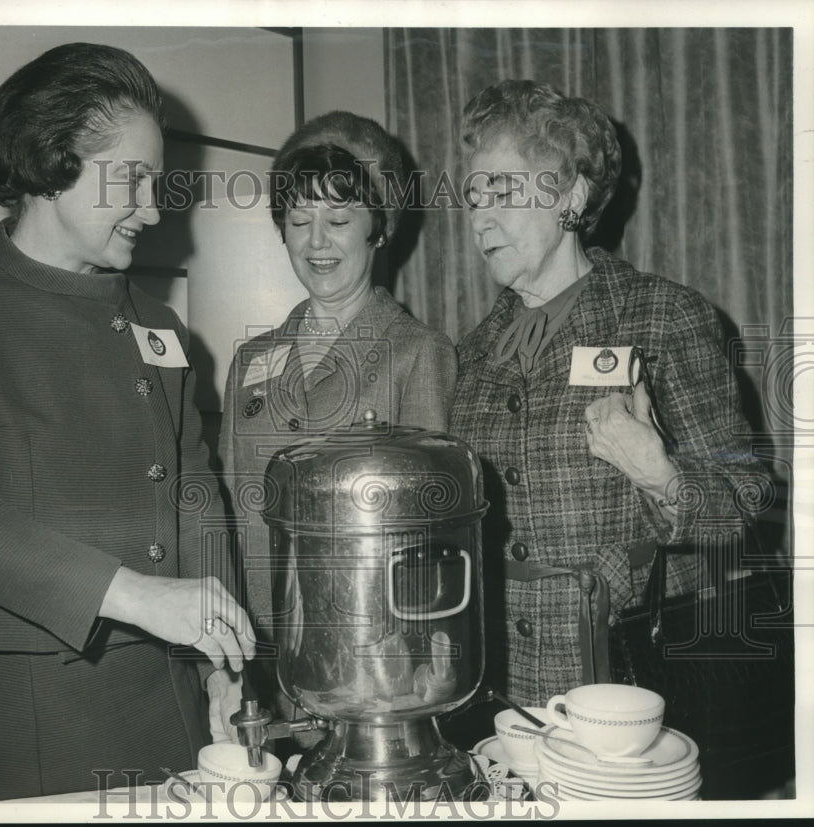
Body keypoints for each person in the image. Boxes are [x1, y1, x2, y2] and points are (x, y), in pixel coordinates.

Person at [0, 43, 254, 803]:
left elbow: (194, 494)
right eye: (135, 179)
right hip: (23, 718)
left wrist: (223, 664)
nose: (153, 208)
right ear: (55, 156)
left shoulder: (160, 324)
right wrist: (143, 596)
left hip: (171, 707)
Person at [449, 80, 770, 708]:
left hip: (629, 681)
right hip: (499, 686)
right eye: (473, 195)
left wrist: (661, 476)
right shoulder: (471, 353)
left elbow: (746, 493)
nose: (479, 215)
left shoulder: (661, 317)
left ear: (570, 195)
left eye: (503, 190)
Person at [217, 112, 457, 707]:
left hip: (371, 666)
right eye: (298, 220)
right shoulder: (252, 359)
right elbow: (226, 508)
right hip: (259, 655)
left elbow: (430, 537)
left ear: (381, 226)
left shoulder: (416, 353)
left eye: (340, 220)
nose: (316, 242)